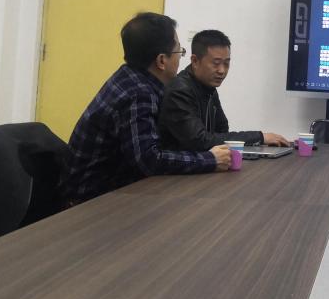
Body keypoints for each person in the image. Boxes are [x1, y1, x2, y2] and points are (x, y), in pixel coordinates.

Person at [59, 12, 230, 207]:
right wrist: (209, 159)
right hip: (88, 202)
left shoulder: (132, 78)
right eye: (179, 52)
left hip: (114, 191)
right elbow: (149, 160)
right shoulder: (138, 94)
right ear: (161, 61)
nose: (180, 58)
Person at [159, 29, 290, 151]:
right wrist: (260, 137)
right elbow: (199, 140)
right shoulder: (179, 91)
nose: (222, 70)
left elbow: (222, 132)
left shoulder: (208, 87)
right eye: (216, 63)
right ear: (195, 61)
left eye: (226, 63)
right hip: (181, 167)